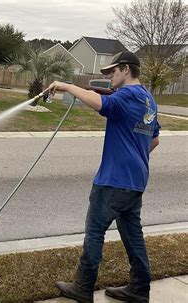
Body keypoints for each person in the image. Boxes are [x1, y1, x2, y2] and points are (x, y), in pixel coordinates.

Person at [47, 51, 160, 303]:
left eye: (113, 71)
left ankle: (83, 287)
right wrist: (133, 153)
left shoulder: (127, 95)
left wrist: (66, 86)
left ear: (127, 69)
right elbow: (154, 139)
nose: (109, 76)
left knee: (95, 232)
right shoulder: (148, 100)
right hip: (136, 181)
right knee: (133, 236)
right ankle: (140, 289)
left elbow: (102, 104)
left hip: (113, 180)